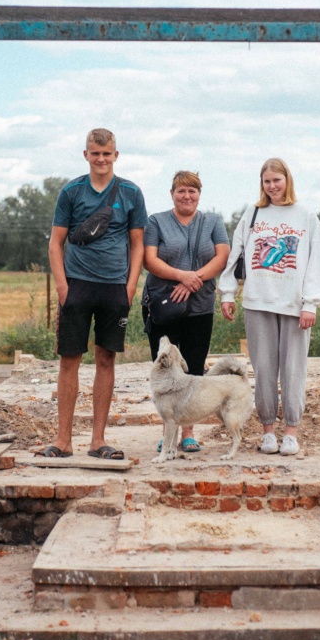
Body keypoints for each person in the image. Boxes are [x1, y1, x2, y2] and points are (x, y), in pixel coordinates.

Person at [45, 128, 147, 459]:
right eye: (95, 153)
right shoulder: (71, 192)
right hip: (77, 284)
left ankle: (98, 440)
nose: (101, 159)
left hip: (114, 287)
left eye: (107, 154)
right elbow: (55, 242)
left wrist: (130, 286)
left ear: (116, 155)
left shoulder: (131, 192)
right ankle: (63, 440)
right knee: (69, 360)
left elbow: (137, 244)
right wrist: (63, 286)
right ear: (86, 155)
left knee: (106, 359)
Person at [218, 157, 320, 456]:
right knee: (264, 370)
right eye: (267, 181)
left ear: (287, 180)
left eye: (277, 180)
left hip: (294, 306)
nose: (272, 186)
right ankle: (268, 430)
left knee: (293, 370)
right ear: (262, 184)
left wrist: (311, 303)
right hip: (257, 302)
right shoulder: (253, 214)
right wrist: (227, 294)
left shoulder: (305, 216)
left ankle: (291, 432)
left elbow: (318, 261)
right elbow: (235, 255)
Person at [143, 170, 230, 452]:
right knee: (167, 368)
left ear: (199, 195)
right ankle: (166, 432)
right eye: (181, 191)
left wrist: (194, 280)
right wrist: (181, 276)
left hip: (200, 305)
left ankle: (188, 433)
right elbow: (149, 259)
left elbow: (222, 256)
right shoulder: (156, 222)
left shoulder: (212, 222)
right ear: (172, 193)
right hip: (163, 304)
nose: (187, 196)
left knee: (193, 367)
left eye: (192, 191)